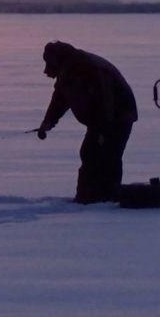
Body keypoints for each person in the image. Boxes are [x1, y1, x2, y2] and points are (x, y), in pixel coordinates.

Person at [38, 41, 138, 204]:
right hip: (99, 121)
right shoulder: (68, 71)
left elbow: (107, 100)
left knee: (108, 156)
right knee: (90, 153)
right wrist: (49, 121)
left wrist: (104, 130)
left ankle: (107, 196)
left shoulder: (87, 68)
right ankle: (88, 196)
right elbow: (60, 99)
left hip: (118, 117)